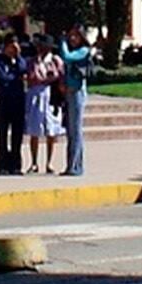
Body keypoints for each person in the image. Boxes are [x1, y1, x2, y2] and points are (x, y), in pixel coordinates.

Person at [23, 34, 64, 173]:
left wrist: (50, 78)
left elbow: (59, 75)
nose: (41, 49)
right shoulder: (33, 61)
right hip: (36, 95)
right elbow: (33, 77)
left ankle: (49, 163)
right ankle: (34, 162)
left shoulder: (55, 60)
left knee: (51, 130)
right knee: (35, 129)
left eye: (44, 47)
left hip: (51, 96)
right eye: (39, 47)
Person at [59, 26, 94, 177]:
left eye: (75, 36)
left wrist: (62, 43)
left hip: (77, 93)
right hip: (69, 93)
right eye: (70, 36)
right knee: (70, 131)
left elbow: (67, 57)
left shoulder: (83, 51)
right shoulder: (74, 51)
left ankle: (76, 166)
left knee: (76, 130)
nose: (72, 39)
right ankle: (71, 165)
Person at [0, 36, 27, 175]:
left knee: (17, 135)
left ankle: (16, 165)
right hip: (4, 100)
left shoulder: (19, 60)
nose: (13, 49)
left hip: (18, 100)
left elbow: (23, 69)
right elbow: (2, 77)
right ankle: (2, 164)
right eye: (11, 46)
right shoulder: (0, 60)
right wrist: (15, 76)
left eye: (16, 46)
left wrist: (17, 57)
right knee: (2, 134)